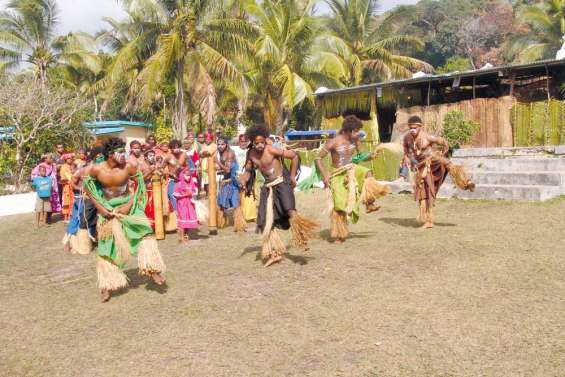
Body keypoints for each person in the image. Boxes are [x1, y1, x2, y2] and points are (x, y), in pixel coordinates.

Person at [84, 137, 166, 302]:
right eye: (120, 152)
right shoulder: (96, 170)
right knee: (106, 248)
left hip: (129, 206)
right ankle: (106, 285)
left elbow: (140, 183)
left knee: (145, 234)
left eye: (124, 151)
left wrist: (130, 204)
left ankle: (153, 269)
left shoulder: (129, 166)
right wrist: (101, 208)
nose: (124, 155)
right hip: (108, 210)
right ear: (110, 154)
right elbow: (88, 187)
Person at [239, 125, 318, 267]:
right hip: (268, 187)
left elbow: (293, 155)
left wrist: (293, 177)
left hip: (282, 182)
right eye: (256, 143)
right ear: (252, 142)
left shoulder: (271, 149)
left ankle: (302, 239)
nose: (259, 145)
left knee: (290, 210)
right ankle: (274, 253)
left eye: (262, 142)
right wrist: (243, 180)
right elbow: (248, 172)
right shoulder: (250, 154)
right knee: (264, 220)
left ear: (265, 140)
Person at [316, 115, 390, 243]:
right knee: (339, 205)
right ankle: (340, 233)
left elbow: (362, 156)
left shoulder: (355, 140)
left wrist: (371, 156)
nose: (358, 134)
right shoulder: (333, 142)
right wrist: (325, 175)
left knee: (367, 173)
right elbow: (318, 158)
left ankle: (369, 203)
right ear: (349, 130)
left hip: (351, 168)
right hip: (337, 174)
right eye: (356, 131)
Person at [402, 115, 475, 228]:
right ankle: (428, 220)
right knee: (424, 193)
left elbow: (443, 142)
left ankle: (466, 182)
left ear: (420, 127)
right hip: (421, 167)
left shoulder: (428, 137)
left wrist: (444, 151)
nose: (412, 130)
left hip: (433, 160)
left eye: (415, 127)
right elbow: (406, 151)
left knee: (448, 164)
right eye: (410, 128)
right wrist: (408, 159)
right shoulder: (407, 138)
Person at [215, 136, 244, 230]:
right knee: (221, 202)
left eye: (222, 144)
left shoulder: (229, 153)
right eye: (218, 144)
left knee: (235, 203)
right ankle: (221, 222)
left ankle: (239, 225)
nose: (220, 146)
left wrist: (217, 162)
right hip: (226, 179)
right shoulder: (221, 152)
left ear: (226, 144)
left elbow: (227, 170)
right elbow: (225, 168)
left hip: (233, 180)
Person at [232, 134, 257, 223]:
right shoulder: (234, 151)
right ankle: (242, 215)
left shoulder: (250, 151)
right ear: (239, 142)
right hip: (239, 175)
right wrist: (238, 174)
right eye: (242, 141)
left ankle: (251, 216)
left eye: (245, 141)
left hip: (250, 175)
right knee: (240, 195)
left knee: (250, 193)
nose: (243, 143)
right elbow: (233, 163)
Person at [31, 154, 61, 220]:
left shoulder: (53, 165)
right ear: (45, 159)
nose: (51, 159)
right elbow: (33, 174)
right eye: (50, 158)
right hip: (44, 188)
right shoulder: (41, 165)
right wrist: (40, 181)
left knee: (50, 203)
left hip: (53, 187)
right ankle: (44, 218)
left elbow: (57, 171)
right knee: (43, 203)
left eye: (51, 158)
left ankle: (48, 217)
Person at [173, 167, 199, 243]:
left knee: (188, 220)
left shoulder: (191, 183)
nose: (188, 177)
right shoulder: (178, 184)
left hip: (190, 204)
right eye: (186, 175)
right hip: (182, 204)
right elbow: (175, 194)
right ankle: (181, 237)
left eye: (189, 175)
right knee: (182, 220)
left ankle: (186, 235)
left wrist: (192, 194)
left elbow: (195, 191)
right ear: (182, 175)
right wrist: (184, 195)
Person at [59, 153, 76, 222]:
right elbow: (62, 179)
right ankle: (65, 217)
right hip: (66, 187)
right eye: (68, 158)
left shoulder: (73, 166)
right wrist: (68, 181)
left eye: (71, 158)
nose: (70, 160)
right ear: (65, 159)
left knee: (73, 201)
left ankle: (71, 216)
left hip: (73, 187)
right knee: (66, 201)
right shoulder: (63, 167)